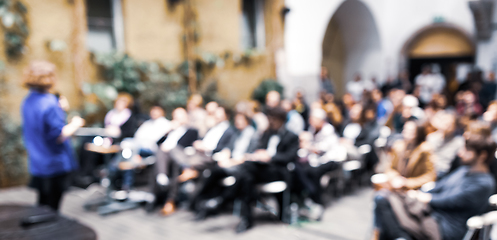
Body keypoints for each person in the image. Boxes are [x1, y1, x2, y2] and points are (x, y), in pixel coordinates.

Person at [374, 137, 496, 240]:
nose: (460, 153)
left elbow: (453, 201)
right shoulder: (463, 170)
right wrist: (419, 194)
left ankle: (402, 236)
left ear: (482, 155)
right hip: (431, 213)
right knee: (385, 197)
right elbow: (440, 185)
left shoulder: (484, 183)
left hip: (445, 226)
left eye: (467, 150)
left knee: (384, 202)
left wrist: (427, 198)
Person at [21, 61, 85, 211]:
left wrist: (59, 109)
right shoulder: (50, 103)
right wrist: (75, 123)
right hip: (54, 163)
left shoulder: (28, 100)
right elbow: (59, 135)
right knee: (53, 207)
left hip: (37, 160)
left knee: (42, 203)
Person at [231, 107, 299, 233]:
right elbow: (259, 149)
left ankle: (228, 197)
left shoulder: (291, 136)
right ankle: (246, 218)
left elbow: (290, 157)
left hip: (277, 171)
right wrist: (257, 154)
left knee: (246, 169)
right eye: (270, 119)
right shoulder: (267, 134)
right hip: (259, 169)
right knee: (247, 176)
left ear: (282, 120)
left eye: (274, 119)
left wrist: (270, 156)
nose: (271, 121)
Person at [157, 106, 235, 215]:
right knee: (171, 151)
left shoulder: (229, 131)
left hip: (208, 157)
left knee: (175, 161)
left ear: (226, 115)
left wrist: (207, 148)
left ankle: (171, 198)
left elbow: (223, 148)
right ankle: (184, 171)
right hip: (196, 154)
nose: (216, 115)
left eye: (219, 113)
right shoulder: (213, 128)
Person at [153, 107, 199, 214]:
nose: (178, 119)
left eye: (180, 116)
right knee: (160, 151)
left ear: (186, 117)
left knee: (173, 162)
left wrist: (169, 148)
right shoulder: (171, 130)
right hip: (165, 157)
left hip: (181, 157)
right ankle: (161, 180)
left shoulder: (192, 131)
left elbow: (185, 146)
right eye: (176, 116)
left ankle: (170, 200)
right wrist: (168, 131)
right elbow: (158, 143)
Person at [384, 120, 436, 190]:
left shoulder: (425, 150)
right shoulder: (398, 146)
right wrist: (395, 178)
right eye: (405, 130)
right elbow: (390, 168)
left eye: (410, 132)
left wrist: (407, 183)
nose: (405, 134)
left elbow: (430, 176)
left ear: (418, 133)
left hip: (415, 189)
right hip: (397, 185)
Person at [426, 110, 465, 178]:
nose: (447, 124)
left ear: (455, 126)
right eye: (444, 121)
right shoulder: (431, 138)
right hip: (430, 171)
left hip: (447, 174)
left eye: (450, 123)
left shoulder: (459, 141)